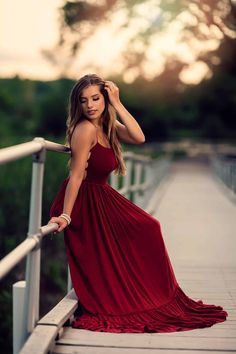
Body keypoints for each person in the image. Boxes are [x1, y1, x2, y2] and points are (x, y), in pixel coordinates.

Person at [48, 73, 228, 333]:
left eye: (96, 98)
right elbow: (76, 175)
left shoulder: (106, 126)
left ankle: (153, 295)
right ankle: (131, 296)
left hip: (102, 196)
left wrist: (118, 104)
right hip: (84, 202)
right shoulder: (85, 129)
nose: (90, 105)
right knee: (146, 228)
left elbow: (138, 137)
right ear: (77, 104)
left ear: (105, 99)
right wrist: (66, 215)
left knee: (148, 226)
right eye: (84, 100)